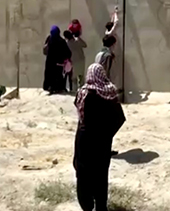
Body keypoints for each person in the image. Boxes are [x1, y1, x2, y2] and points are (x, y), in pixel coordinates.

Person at [73, 63, 125, 211]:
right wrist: (106, 135)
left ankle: (87, 205)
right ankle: (101, 206)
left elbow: (81, 119)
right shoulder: (110, 93)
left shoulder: (83, 93)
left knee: (83, 174)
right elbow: (120, 118)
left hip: (84, 140)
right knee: (101, 176)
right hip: (102, 143)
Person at [43, 26, 72, 94]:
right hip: (58, 62)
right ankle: (57, 88)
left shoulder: (49, 39)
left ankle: (49, 87)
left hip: (49, 62)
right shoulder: (61, 41)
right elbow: (68, 52)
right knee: (58, 75)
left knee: (49, 74)